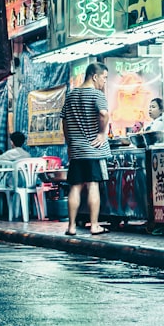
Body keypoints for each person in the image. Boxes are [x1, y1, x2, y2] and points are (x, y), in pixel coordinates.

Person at [60, 62, 111, 236]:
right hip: (92, 149)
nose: (104, 82)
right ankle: (94, 225)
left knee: (75, 187)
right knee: (93, 185)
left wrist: (69, 143)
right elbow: (104, 113)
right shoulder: (97, 94)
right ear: (95, 76)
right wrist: (102, 133)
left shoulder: (71, 95)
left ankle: (71, 226)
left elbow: (64, 121)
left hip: (76, 150)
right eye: (104, 78)